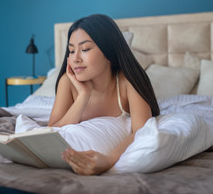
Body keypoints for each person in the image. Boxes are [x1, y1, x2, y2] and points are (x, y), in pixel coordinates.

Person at [48, 14, 159, 175]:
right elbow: (51, 131)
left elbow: (142, 130)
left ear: (108, 53)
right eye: (71, 51)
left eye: (85, 49)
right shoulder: (68, 82)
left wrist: (108, 160)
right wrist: (83, 96)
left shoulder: (127, 81)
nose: (75, 58)